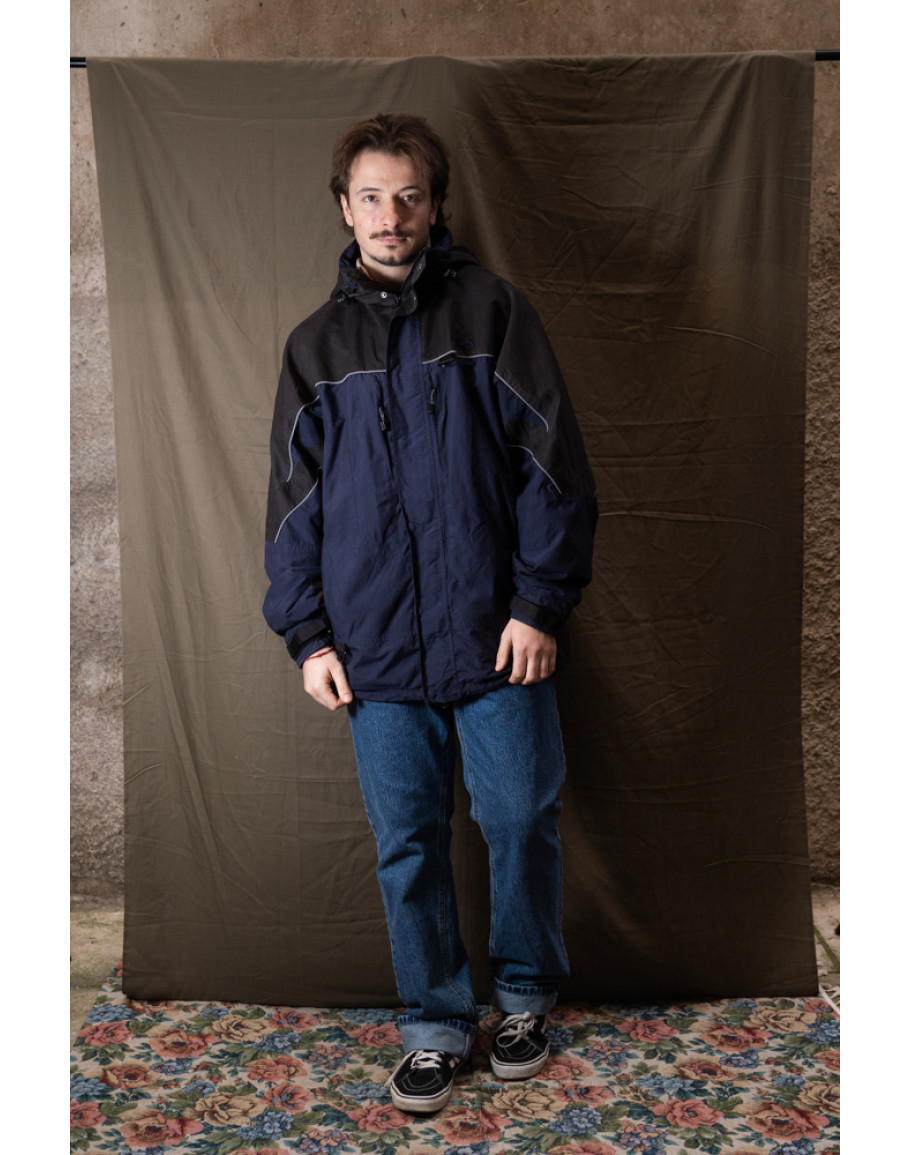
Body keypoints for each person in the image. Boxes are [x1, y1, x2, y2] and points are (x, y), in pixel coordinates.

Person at [263, 113, 597, 1114]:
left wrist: (538, 606)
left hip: (499, 636)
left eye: (408, 196)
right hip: (373, 650)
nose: (390, 215)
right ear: (344, 208)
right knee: (407, 841)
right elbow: (293, 506)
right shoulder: (314, 348)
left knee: (519, 818)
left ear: (436, 205)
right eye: (371, 196)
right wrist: (308, 635)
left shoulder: (493, 313)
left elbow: (553, 468)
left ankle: (525, 998)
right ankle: (436, 1023)